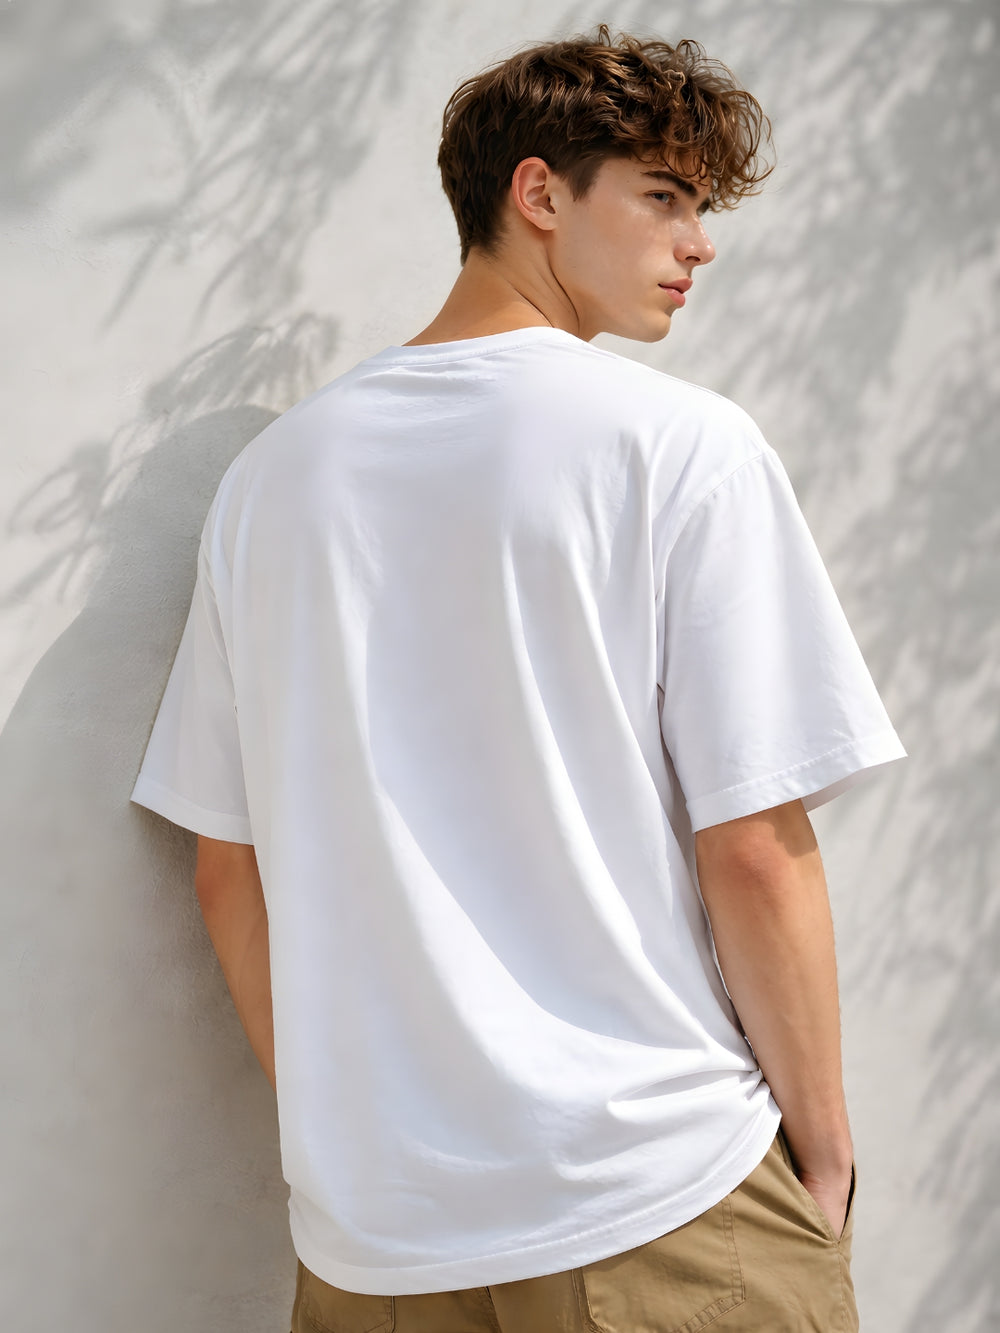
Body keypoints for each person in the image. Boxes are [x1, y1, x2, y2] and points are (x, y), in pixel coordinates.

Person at [130, 24, 906, 1332]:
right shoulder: (680, 448)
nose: (699, 244)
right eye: (664, 197)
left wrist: (352, 1143)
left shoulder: (272, 483)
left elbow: (226, 868)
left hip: (375, 1245)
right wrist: (823, 1153)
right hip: (652, 1199)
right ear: (538, 192)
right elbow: (755, 844)